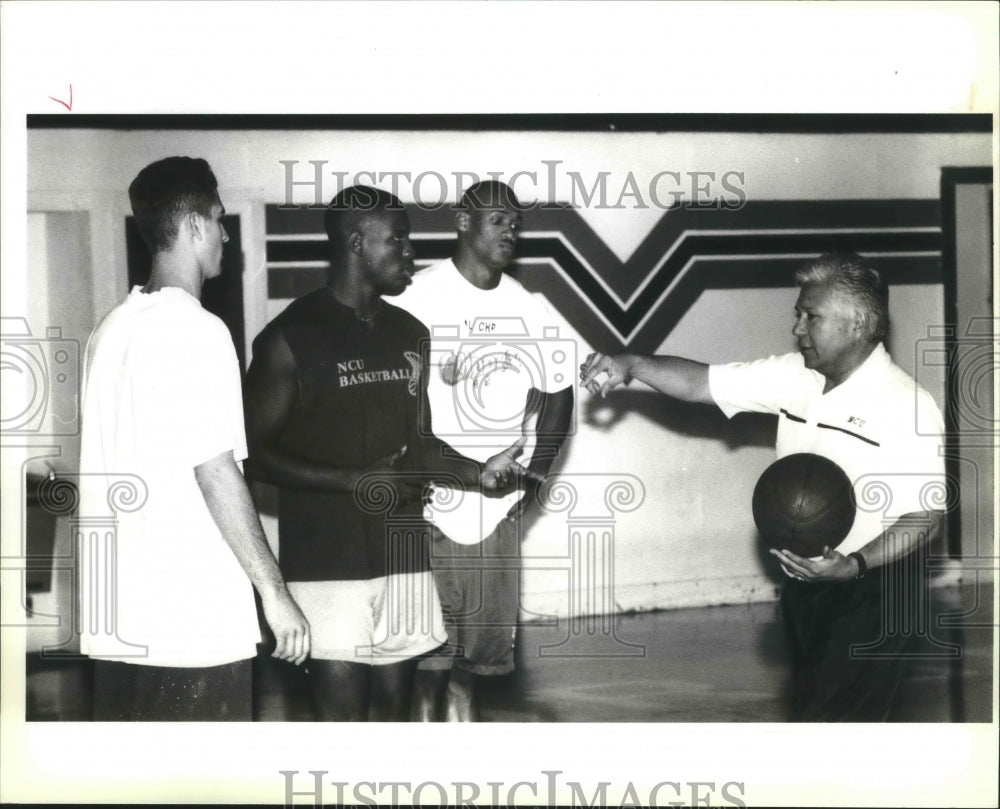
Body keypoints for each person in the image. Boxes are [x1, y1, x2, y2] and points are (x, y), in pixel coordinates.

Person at [580, 251, 946, 721]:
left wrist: (853, 565)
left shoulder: (907, 406)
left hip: (874, 590)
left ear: (857, 326)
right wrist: (630, 363)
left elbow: (925, 518)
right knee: (823, 721)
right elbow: (701, 384)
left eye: (811, 317)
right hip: (806, 584)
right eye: (798, 314)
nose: (797, 328)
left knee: (829, 725)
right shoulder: (794, 376)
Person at [243, 186, 522, 721]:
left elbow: (421, 447)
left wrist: (478, 473)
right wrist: (353, 480)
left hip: (404, 557)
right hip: (328, 565)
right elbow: (251, 455)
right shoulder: (291, 337)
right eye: (397, 240)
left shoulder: (410, 333)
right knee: (343, 723)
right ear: (356, 243)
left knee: (395, 717)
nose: (410, 253)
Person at [78, 156, 310, 721]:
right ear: (195, 226)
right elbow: (215, 472)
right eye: (218, 218)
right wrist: (275, 594)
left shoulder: (107, 332)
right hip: (189, 625)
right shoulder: (199, 332)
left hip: (119, 625)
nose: (226, 233)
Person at [395, 181, 575, 722]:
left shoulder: (528, 308)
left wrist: (535, 477)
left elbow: (560, 396)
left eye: (515, 222)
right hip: (430, 503)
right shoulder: (414, 295)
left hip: (494, 508)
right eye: (498, 219)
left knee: (475, 665)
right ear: (463, 222)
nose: (510, 231)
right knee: (429, 659)